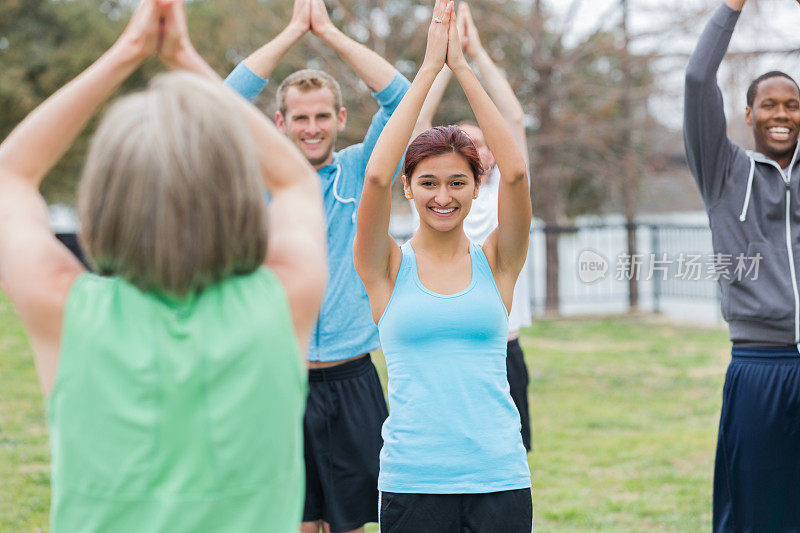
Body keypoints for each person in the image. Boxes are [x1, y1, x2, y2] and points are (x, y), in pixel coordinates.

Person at [0, 1, 326, 531]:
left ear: (101, 207)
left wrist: (127, 53)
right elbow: (295, 182)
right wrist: (184, 58)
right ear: (239, 200)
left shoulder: (64, 310)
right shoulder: (282, 302)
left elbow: (10, 174)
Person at [223, 1, 410, 531]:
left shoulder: (361, 171)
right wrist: (290, 32)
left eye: (322, 115)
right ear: (280, 122)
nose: (312, 128)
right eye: (300, 117)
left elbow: (400, 99)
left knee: (356, 521)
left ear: (340, 119)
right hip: (279, 380)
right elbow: (218, 105)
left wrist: (329, 33)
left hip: (353, 379)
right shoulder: (255, 177)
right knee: (294, 522)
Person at [353, 0, 532, 530]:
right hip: (413, 482)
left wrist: (464, 68)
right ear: (410, 188)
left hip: (498, 476)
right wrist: (430, 67)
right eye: (428, 182)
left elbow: (518, 174)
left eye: (458, 182)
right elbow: (375, 180)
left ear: (477, 189)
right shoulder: (383, 265)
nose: (443, 197)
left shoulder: (498, 260)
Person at [685, 1, 800, 530]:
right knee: (755, 510)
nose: (782, 114)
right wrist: (732, 7)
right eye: (770, 105)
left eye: (793, 105)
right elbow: (697, 76)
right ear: (749, 114)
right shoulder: (723, 172)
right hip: (760, 367)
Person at [409, 1, 533, 451]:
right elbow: (420, 121)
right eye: (467, 143)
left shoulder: (508, 194)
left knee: (508, 457)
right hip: (439, 346)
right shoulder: (433, 197)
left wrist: (473, 54)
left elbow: (514, 118)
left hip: (502, 345)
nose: (476, 149)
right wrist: (444, 60)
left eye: (484, 141)